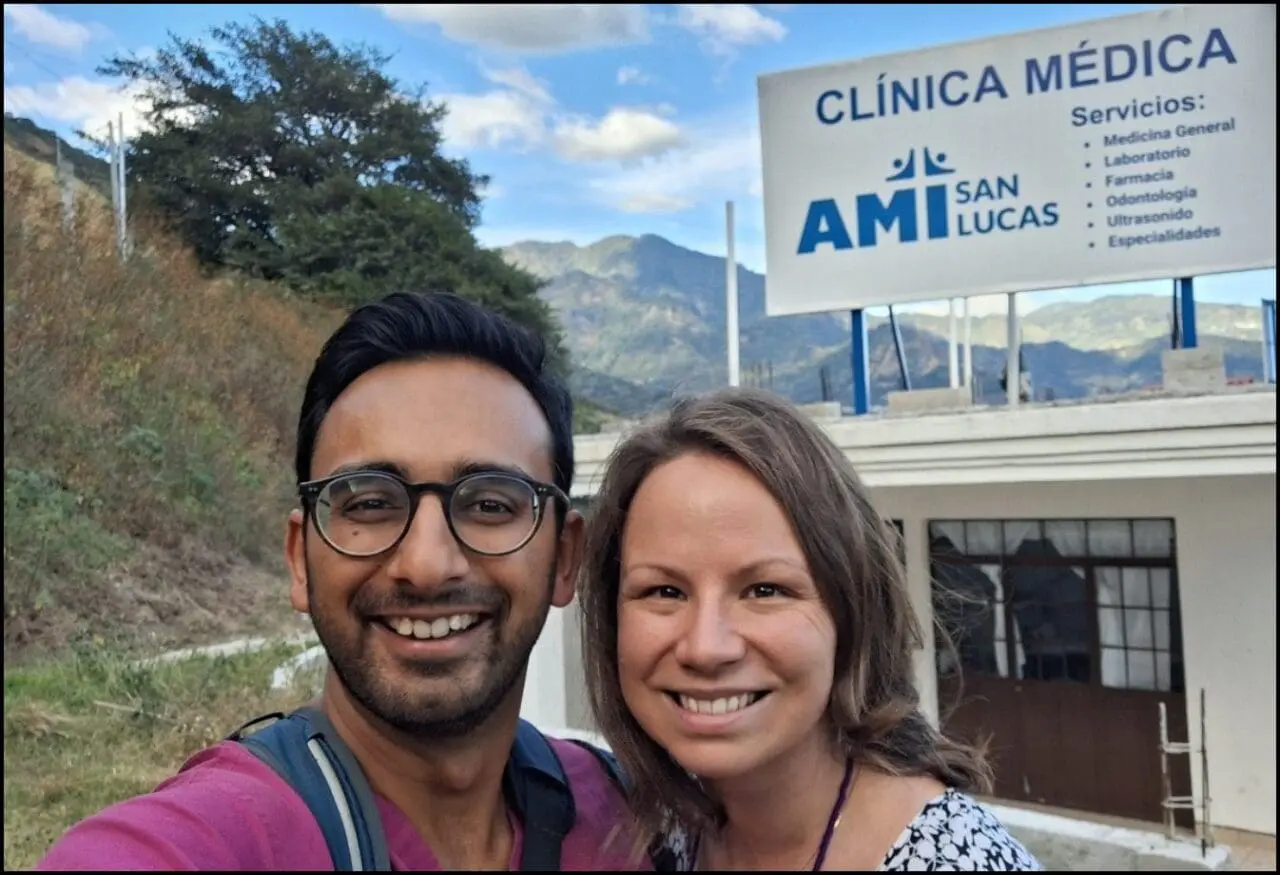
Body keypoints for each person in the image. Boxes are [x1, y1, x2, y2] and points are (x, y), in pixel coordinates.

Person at [38, 292, 645, 871]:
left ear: (566, 558)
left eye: (489, 505)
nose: (427, 565)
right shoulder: (221, 836)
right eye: (370, 504)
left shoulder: (631, 815)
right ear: (301, 559)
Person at [577, 387, 1042, 871]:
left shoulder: (957, 861)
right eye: (665, 592)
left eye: (764, 590)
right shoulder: (662, 838)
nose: (706, 647)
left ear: (851, 612)